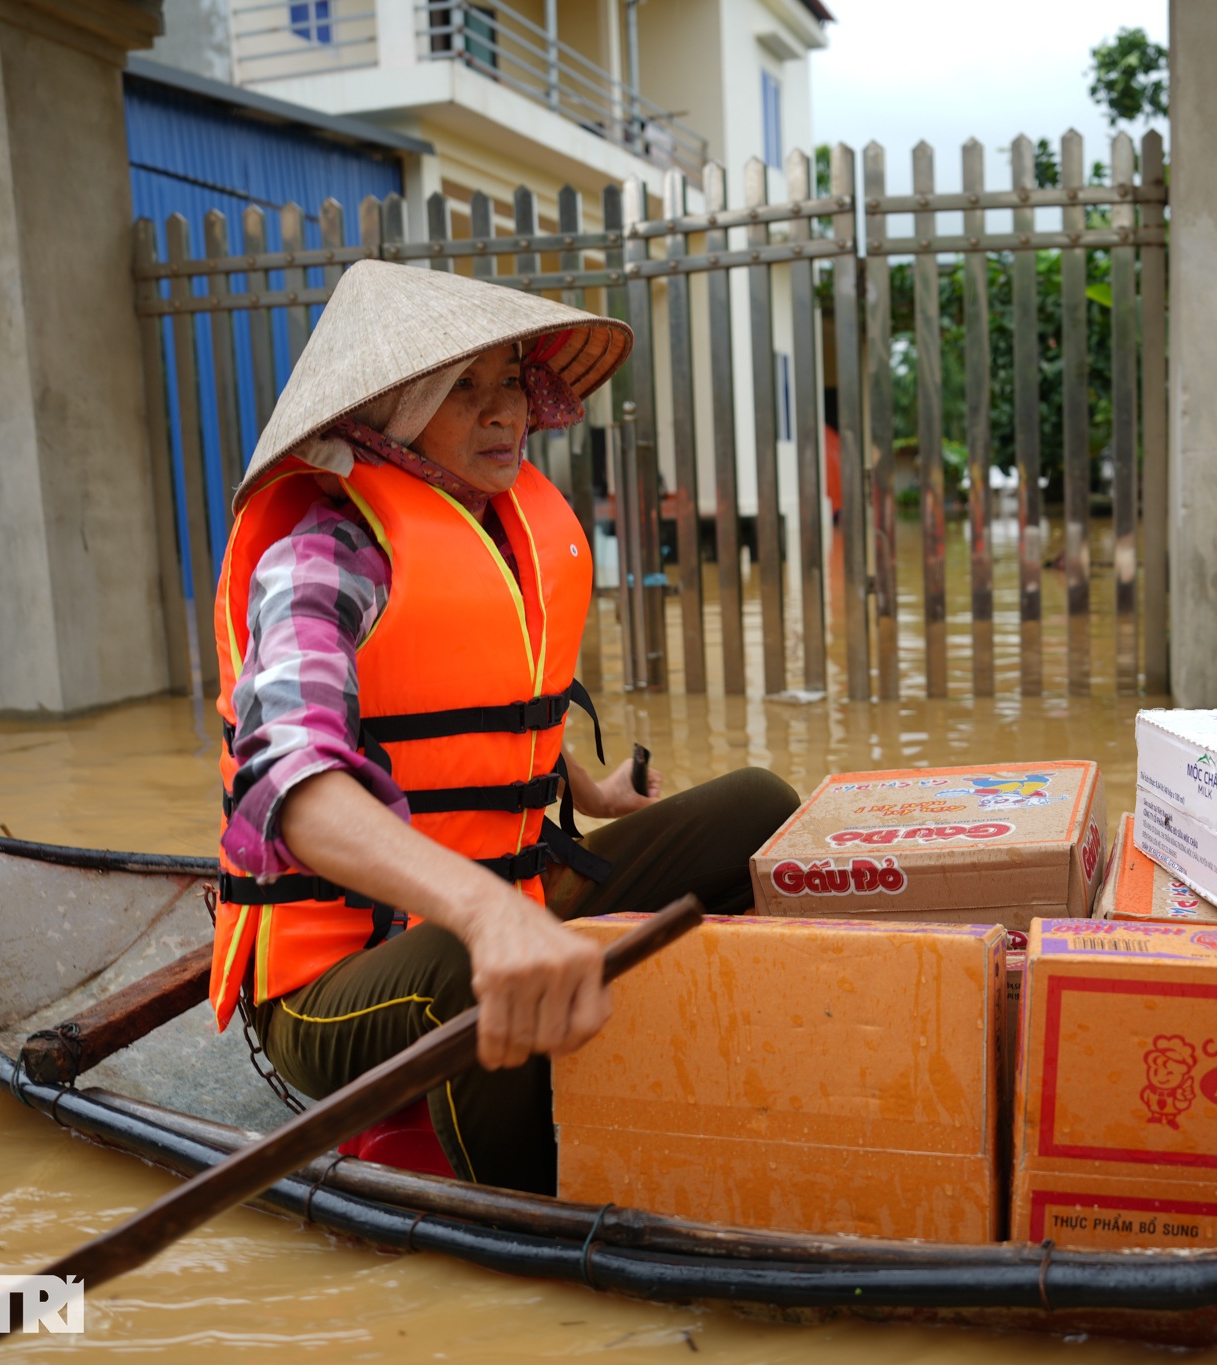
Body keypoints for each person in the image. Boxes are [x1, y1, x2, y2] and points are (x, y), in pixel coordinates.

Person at [206, 261, 799, 1194]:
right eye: (462, 389)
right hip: (334, 985)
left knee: (761, 806)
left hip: (506, 898)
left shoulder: (498, 521)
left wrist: (588, 793)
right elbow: (290, 784)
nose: (505, 413)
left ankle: (711, 1068)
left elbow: (479, 698)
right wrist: (486, 914)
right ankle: (535, 1203)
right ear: (391, 415)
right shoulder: (323, 552)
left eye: (511, 380)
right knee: (460, 959)